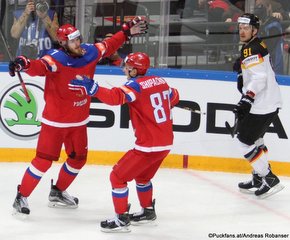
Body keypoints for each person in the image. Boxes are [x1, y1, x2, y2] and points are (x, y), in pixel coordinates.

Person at [8, 17, 148, 216]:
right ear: (63, 43)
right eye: (72, 41)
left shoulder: (90, 52)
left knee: (78, 159)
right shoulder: (55, 58)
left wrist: (125, 33)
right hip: (55, 123)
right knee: (43, 161)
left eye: (78, 39)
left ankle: (57, 192)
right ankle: (21, 195)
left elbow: (108, 45)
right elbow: (38, 67)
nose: (77, 43)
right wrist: (24, 63)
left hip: (79, 122)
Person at [69, 52, 179, 232]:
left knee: (117, 177)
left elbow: (115, 98)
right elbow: (175, 96)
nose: (124, 70)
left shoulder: (134, 86)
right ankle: (148, 211)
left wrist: (94, 88)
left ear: (135, 71)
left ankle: (121, 219)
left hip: (148, 146)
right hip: (165, 143)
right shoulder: (161, 81)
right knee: (142, 177)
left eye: (128, 67)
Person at [233, 13, 284, 199]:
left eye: (246, 28)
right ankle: (257, 178)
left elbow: (260, 78)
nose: (242, 31)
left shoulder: (250, 50)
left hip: (262, 104)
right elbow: (260, 72)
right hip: (270, 102)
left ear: (254, 30)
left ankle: (269, 178)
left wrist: (248, 98)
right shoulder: (256, 44)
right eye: (240, 28)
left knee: (243, 141)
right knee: (257, 140)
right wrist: (241, 73)